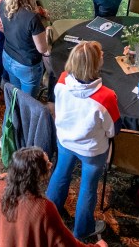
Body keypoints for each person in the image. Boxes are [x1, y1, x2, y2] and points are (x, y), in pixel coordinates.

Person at [46, 41, 119, 241]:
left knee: (61, 174)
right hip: (92, 151)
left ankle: (50, 216)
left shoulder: (61, 80)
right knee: (87, 188)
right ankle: (82, 230)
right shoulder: (106, 97)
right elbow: (112, 130)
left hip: (65, 141)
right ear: (95, 65)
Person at [0, 147, 96, 247]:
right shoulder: (44, 208)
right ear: (36, 175)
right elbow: (66, 244)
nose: (51, 165)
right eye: (47, 164)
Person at [0, 0, 49, 99]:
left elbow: (9, 26)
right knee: (27, 102)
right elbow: (42, 49)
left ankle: (15, 115)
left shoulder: (3, 4)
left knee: (16, 95)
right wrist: (47, 33)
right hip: (27, 66)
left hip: (8, 56)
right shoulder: (32, 19)